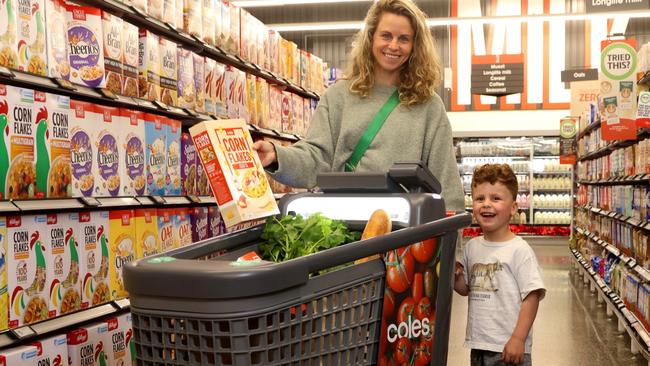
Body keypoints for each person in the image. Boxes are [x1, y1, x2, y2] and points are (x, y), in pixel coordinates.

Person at [252, 0, 464, 212]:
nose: (393, 46)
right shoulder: (338, 96)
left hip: (404, 232)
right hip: (346, 227)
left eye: (404, 39)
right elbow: (316, 157)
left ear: (415, 46)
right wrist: (277, 156)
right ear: (371, 37)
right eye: (386, 35)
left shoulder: (428, 105)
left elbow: (446, 181)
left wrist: (448, 239)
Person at [454, 163, 546, 366]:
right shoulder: (472, 247)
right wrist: (454, 276)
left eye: (496, 198)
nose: (486, 204)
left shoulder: (519, 250)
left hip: (507, 349)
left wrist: (518, 339)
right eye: (480, 198)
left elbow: (532, 295)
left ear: (513, 208)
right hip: (478, 344)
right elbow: (467, 289)